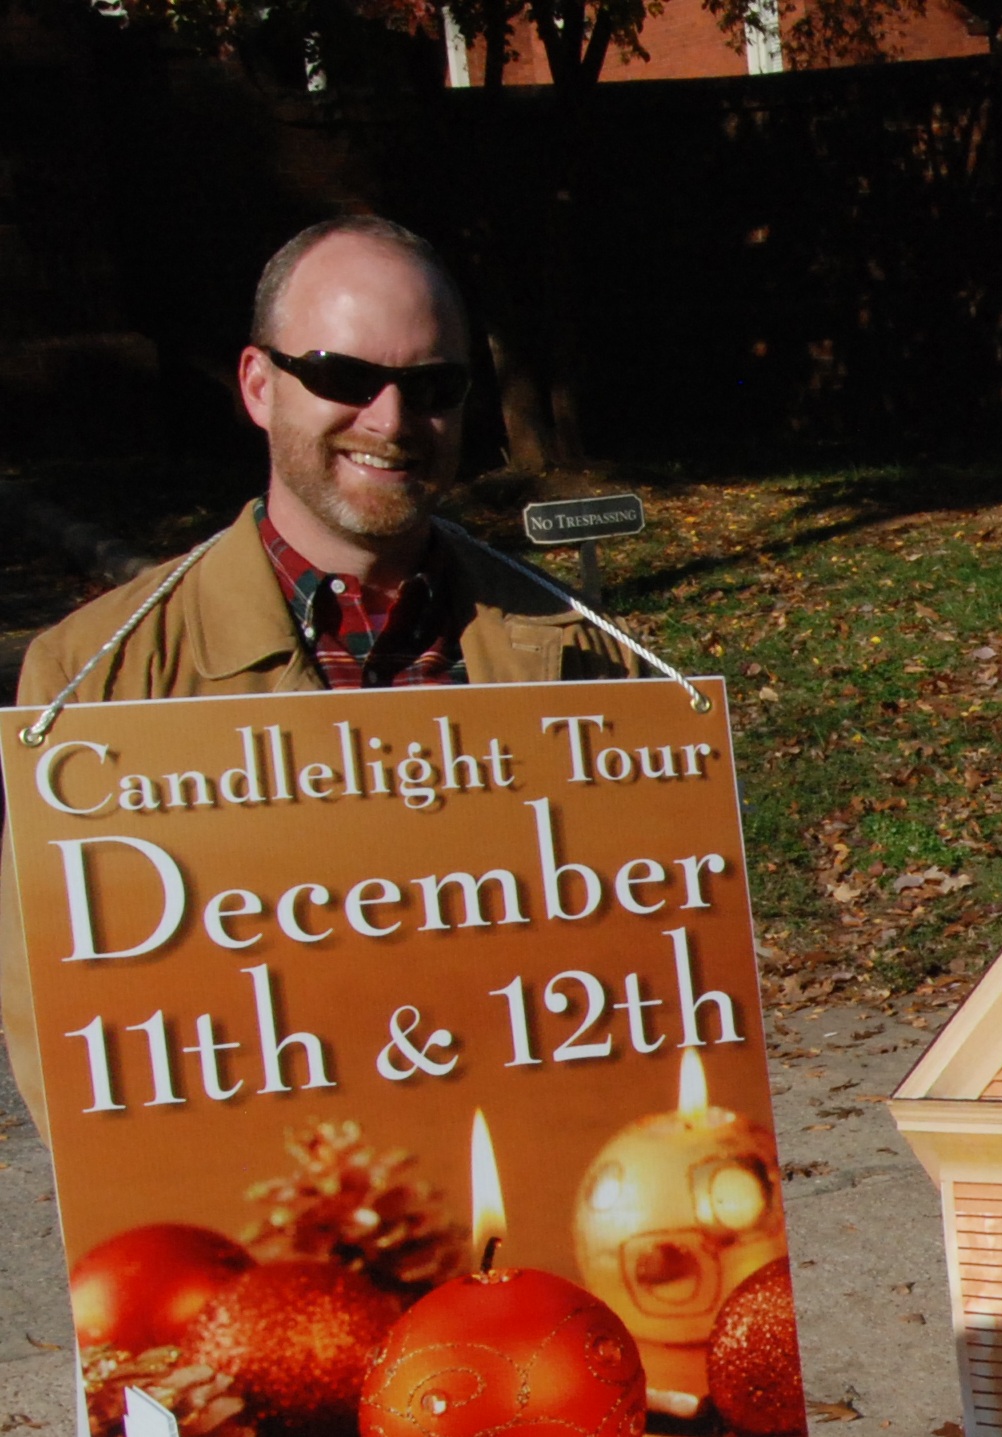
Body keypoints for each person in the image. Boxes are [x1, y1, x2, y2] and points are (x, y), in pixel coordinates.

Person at [0, 214, 643, 1134]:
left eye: (432, 385)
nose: (390, 420)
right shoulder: (99, 675)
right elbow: (66, 1050)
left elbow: (649, 986)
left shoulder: (587, 659)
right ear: (259, 386)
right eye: (344, 377)